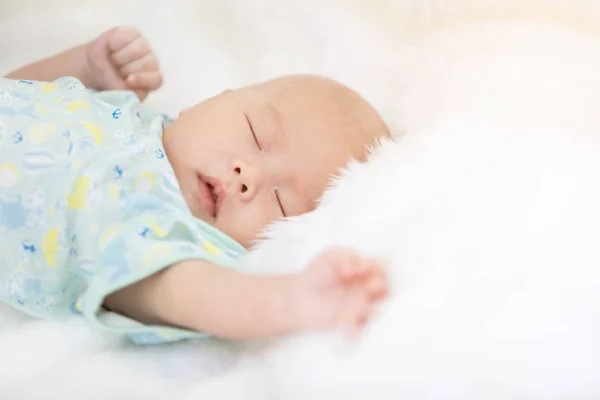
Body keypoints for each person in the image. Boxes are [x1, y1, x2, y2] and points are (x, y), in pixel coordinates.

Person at [0, 27, 390, 345]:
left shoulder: (155, 230)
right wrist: (82, 66)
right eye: (255, 134)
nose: (246, 177)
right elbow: (20, 93)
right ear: (217, 98)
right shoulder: (133, 118)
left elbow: (192, 295)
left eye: (281, 201)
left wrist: (290, 299)